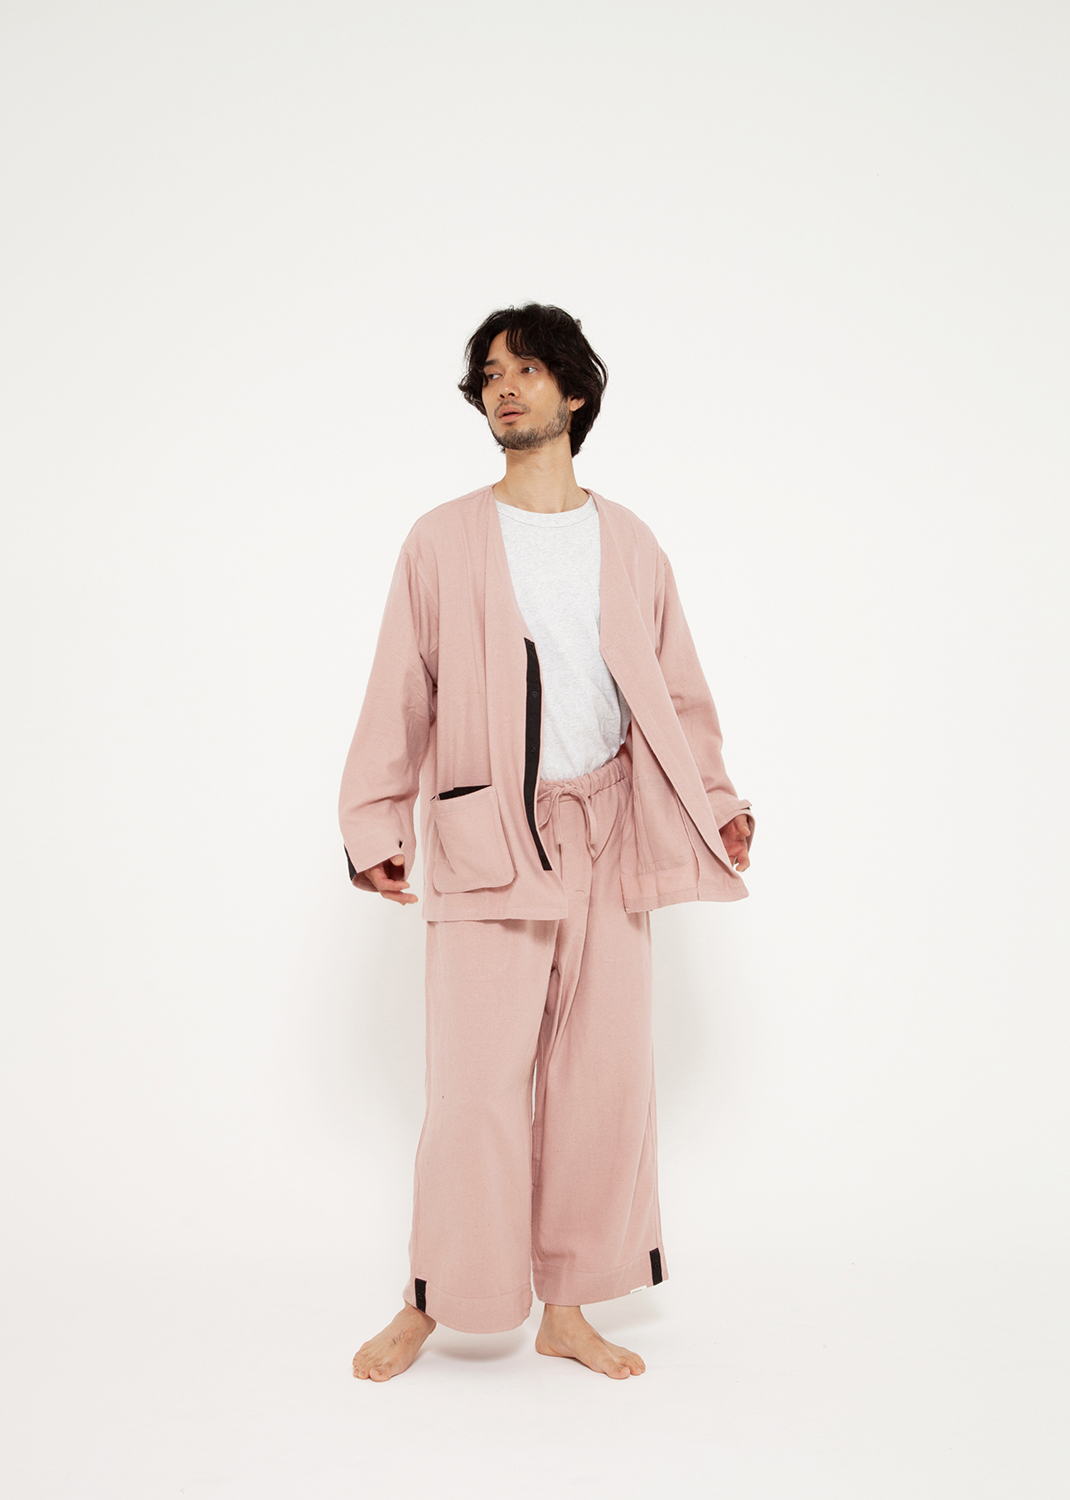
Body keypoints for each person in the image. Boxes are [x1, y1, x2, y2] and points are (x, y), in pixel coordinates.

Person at [340, 303, 754, 1382]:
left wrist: (717, 800)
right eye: (490, 375)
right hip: (489, 836)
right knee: (473, 1089)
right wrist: (374, 821)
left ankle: (567, 1308)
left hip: (612, 832)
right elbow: (400, 688)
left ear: (573, 392)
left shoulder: (632, 542)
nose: (505, 387)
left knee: (598, 1083)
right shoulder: (440, 540)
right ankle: (435, 1299)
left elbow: (677, 689)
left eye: (526, 369)